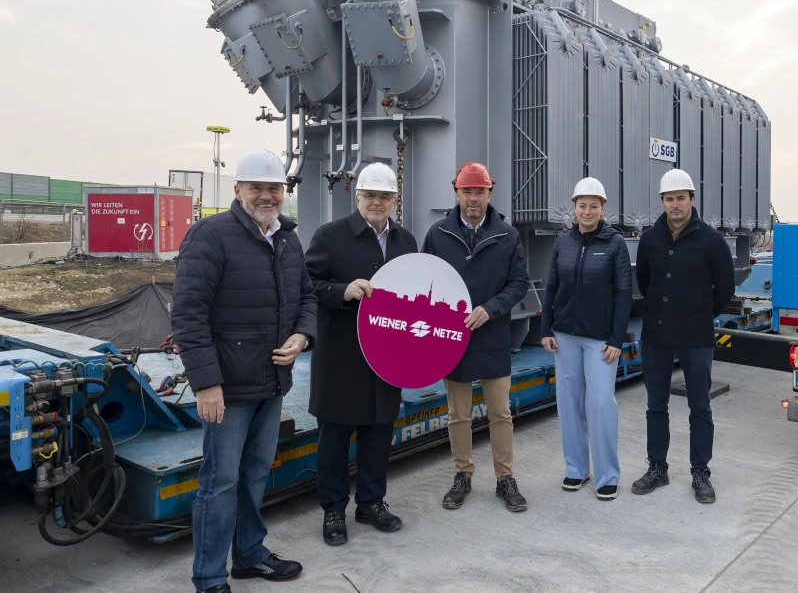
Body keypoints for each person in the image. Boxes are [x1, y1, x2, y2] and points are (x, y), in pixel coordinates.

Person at [172, 149, 317, 593]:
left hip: (271, 383)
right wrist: (207, 384)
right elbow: (188, 315)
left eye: (274, 188)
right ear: (238, 190)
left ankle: (250, 554)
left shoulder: (287, 239)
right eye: (256, 188)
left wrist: (303, 335)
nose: (266, 196)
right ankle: (209, 577)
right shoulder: (210, 235)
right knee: (219, 483)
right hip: (228, 387)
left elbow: (307, 297)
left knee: (255, 474)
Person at [304, 163, 417, 546]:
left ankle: (371, 502)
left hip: (386, 358)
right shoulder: (329, 236)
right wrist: (341, 291)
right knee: (335, 438)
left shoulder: (405, 242)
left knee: (378, 434)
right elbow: (307, 284)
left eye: (385, 196)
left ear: (394, 201)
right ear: (357, 198)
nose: (377, 202)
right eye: (370, 195)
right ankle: (333, 509)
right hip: (342, 357)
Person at [422, 162, 530, 512]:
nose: (473, 198)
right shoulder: (438, 233)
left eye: (479, 192)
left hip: (493, 334)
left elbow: (518, 283)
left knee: (500, 412)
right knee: (458, 414)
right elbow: (425, 279)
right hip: (453, 338)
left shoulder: (507, 235)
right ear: (456, 192)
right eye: (467, 191)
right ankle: (462, 474)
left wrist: (491, 308)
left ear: (489, 193)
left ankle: (505, 478)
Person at [631, 168, 734, 504]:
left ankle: (700, 472)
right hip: (657, 335)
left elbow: (726, 288)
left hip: (696, 336)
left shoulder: (712, 241)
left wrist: (701, 313)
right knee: (655, 405)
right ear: (662, 202)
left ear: (692, 199)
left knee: (699, 406)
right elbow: (645, 282)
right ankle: (657, 468)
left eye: (680, 198)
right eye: (669, 199)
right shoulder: (650, 240)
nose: (674, 204)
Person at [540, 178, 632, 501]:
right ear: (574, 208)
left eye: (594, 206)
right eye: (582, 206)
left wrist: (617, 338)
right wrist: (546, 329)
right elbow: (552, 287)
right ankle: (577, 469)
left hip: (600, 340)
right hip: (564, 335)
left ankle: (607, 475)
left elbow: (624, 293)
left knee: (601, 403)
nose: (587, 211)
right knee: (568, 404)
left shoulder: (615, 244)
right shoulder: (563, 242)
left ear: (603, 208)